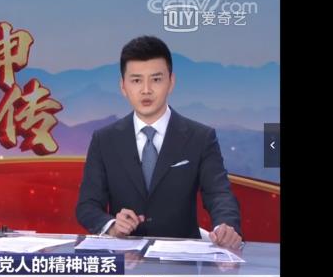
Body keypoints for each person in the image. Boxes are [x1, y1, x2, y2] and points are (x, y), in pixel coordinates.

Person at [76, 36, 241, 249]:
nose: (146, 90)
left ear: (171, 82)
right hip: (125, 258)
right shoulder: (104, 140)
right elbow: (87, 206)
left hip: (181, 258)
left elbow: (219, 194)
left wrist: (225, 226)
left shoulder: (200, 137)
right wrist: (112, 226)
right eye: (136, 80)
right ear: (123, 86)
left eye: (156, 79)